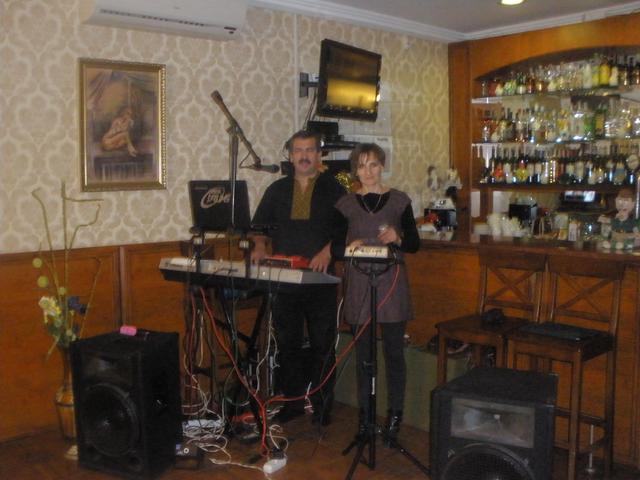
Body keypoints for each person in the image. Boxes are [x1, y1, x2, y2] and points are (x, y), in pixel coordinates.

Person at [251, 130, 345, 426]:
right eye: (298, 151)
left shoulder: (335, 189)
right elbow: (259, 228)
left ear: (319, 155)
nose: (304, 156)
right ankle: (292, 403)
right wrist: (259, 246)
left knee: (322, 344)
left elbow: (346, 230)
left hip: (320, 278)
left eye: (310, 150)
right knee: (287, 342)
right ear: (290, 156)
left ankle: (322, 406)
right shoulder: (276, 190)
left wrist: (328, 251)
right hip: (285, 278)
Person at [333, 143, 419, 446]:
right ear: (355, 171)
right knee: (364, 358)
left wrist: (399, 236)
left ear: (382, 166)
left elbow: (415, 244)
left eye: (372, 165)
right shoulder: (345, 204)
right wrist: (348, 246)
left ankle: (394, 417)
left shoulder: (400, 201)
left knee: (394, 353)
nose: (367, 172)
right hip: (360, 282)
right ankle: (366, 420)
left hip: (391, 282)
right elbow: (335, 248)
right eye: (361, 166)